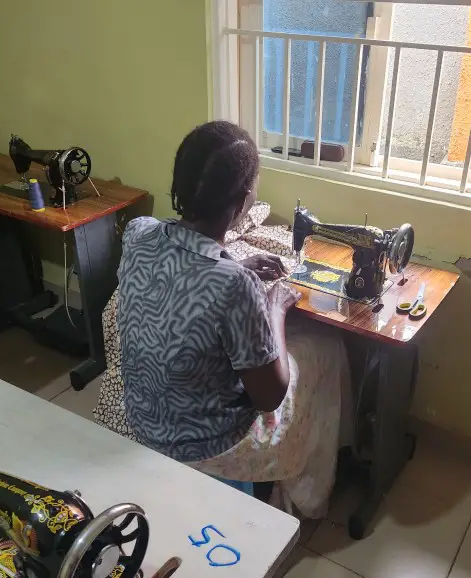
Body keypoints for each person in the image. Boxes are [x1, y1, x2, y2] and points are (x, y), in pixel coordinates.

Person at [109, 121, 350, 517]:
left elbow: (184, 271)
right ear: (242, 202)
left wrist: (237, 263)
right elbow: (269, 396)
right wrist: (274, 306)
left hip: (143, 417)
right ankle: (308, 491)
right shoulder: (235, 286)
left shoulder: (138, 233)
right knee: (324, 349)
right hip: (205, 444)